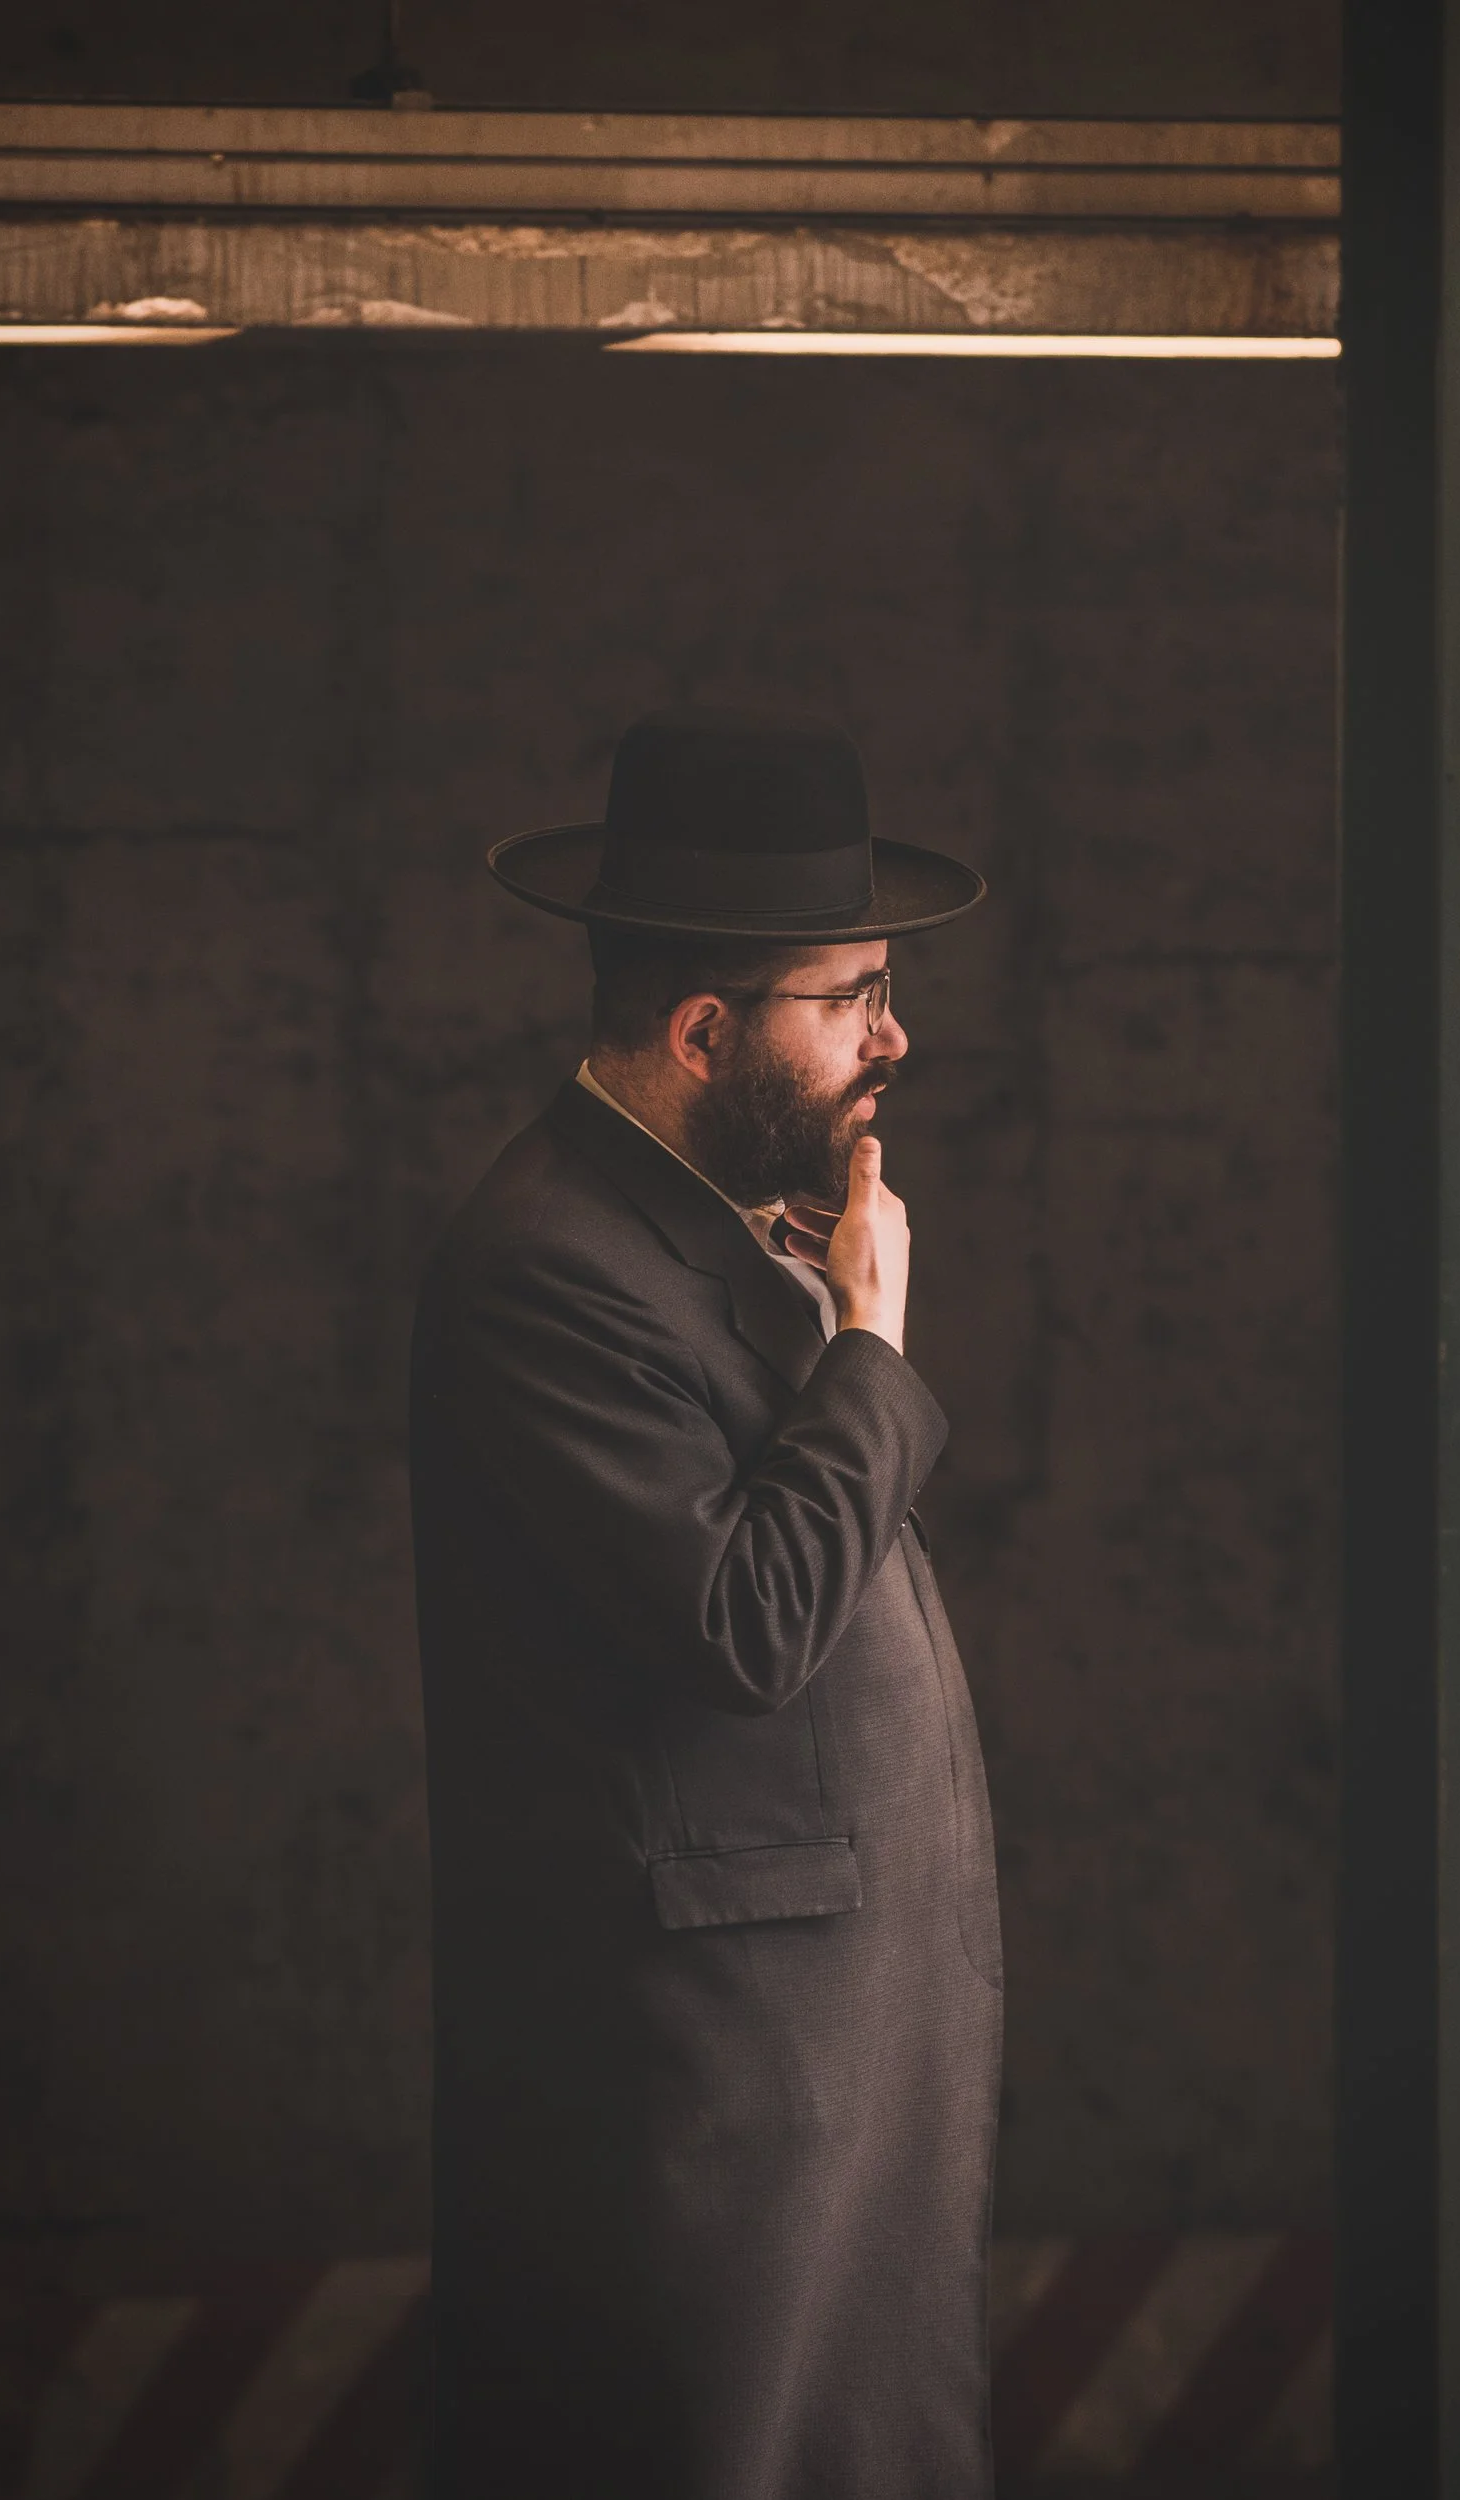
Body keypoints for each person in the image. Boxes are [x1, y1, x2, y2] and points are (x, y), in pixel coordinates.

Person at [408, 706, 1002, 2498]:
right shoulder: (548, 1268)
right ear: (701, 1031)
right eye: (853, 998)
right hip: (723, 2078)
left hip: (829, 2047)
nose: (895, 1039)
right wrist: (871, 1342)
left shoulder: (719, 1223)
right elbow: (746, 1623)